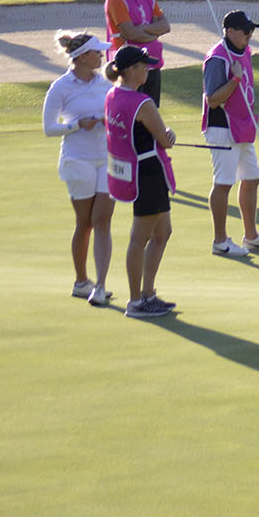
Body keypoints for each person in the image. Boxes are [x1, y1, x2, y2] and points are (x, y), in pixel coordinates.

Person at [43, 31, 117, 306]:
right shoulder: (61, 87)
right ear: (83, 57)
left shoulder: (104, 84)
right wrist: (77, 125)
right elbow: (49, 128)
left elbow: (115, 112)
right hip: (77, 159)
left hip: (105, 158)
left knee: (103, 220)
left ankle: (100, 284)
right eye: (97, 52)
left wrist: (108, 121)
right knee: (85, 223)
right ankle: (81, 281)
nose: (101, 55)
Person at [104, 45, 177, 319]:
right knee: (140, 238)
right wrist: (170, 134)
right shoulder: (142, 103)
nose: (148, 69)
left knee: (162, 232)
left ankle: (148, 294)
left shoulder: (113, 95)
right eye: (144, 65)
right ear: (131, 70)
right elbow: (163, 139)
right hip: (148, 173)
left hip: (136, 172)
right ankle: (136, 301)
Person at [201, 9, 259, 258]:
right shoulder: (218, 58)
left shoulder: (243, 50)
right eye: (246, 31)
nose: (250, 35)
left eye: (251, 30)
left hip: (243, 125)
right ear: (230, 31)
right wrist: (234, 80)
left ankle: (251, 236)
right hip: (222, 127)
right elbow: (213, 99)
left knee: (252, 178)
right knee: (223, 183)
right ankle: (220, 241)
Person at [105, 0, 171, 105]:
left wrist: (144, 28)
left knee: (151, 112)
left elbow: (165, 26)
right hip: (130, 67)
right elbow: (131, 33)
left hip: (152, 65)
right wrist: (153, 35)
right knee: (134, 113)